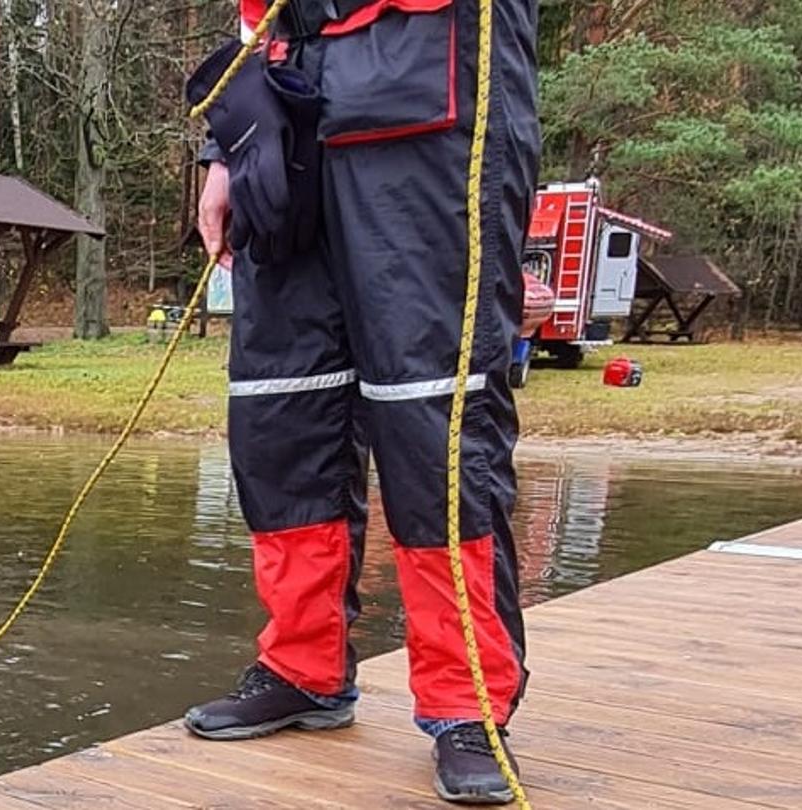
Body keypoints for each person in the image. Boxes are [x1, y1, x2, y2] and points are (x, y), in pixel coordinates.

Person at [182, 0, 539, 804]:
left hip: (433, 100)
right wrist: (222, 152)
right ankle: (302, 668)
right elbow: (254, 16)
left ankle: (465, 702)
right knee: (281, 409)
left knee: (429, 418)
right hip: (288, 105)